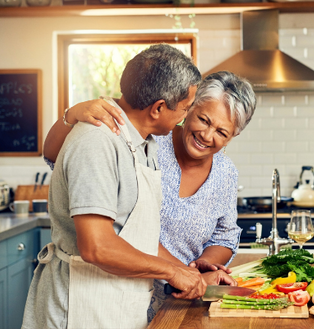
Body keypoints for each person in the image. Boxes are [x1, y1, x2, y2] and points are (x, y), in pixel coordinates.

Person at [22, 44, 215, 329]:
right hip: (79, 307)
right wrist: (170, 273)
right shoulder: (97, 141)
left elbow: (135, 236)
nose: (185, 119)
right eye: (185, 109)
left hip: (115, 302)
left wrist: (188, 273)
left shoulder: (143, 142)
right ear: (159, 107)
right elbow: (97, 247)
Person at [43, 70, 257, 321]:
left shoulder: (226, 173)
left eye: (222, 132)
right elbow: (57, 155)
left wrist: (197, 269)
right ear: (189, 108)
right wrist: (72, 115)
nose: (207, 136)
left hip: (183, 294)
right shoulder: (149, 140)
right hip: (116, 288)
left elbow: (225, 234)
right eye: (204, 120)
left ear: (233, 136)